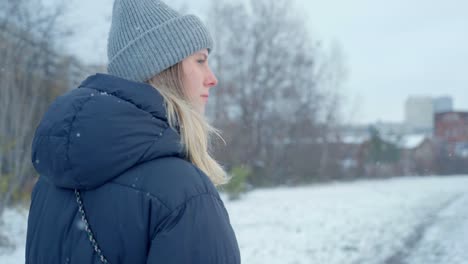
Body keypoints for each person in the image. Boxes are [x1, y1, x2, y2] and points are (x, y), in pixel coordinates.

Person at [25, 0, 241, 263]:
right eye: (200, 60)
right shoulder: (184, 193)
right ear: (165, 69)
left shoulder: (49, 183)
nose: (212, 77)